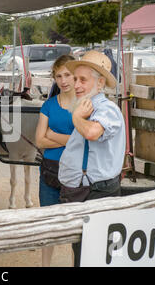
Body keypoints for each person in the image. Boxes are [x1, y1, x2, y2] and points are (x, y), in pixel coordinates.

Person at [59, 50, 126, 267]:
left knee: (92, 255)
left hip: (95, 193)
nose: (76, 84)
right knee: (82, 252)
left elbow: (92, 133)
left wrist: (77, 117)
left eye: (82, 80)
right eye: (75, 79)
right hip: (83, 192)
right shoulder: (87, 106)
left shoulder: (107, 109)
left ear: (100, 84)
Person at [35, 54, 76, 267]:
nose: (63, 80)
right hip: (50, 171)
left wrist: (52, 134)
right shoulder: (49, 105)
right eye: (59, 76)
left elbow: (84, 142)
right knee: (47, 225)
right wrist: (71, 140)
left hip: (76, 173)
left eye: (68, 75)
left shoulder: (84, 105)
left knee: (74, 227)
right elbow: (39, 140)